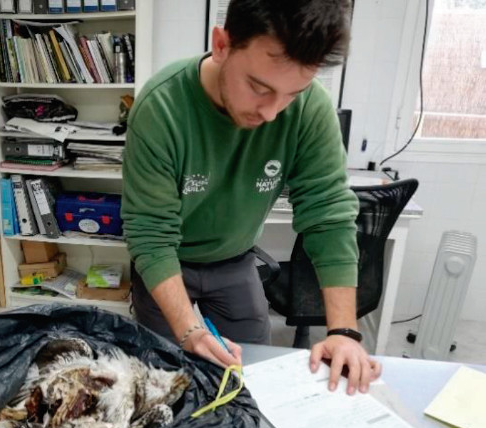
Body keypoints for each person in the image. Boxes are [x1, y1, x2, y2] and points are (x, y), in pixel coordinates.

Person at [121, 0, 381, 395]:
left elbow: (328, 214)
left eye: (292, 94)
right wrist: (188, 330)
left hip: (235, 260)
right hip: (165, 263)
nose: (273, 113)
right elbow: (151, 235)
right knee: (161, 382)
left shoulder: (311, 109)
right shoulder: (162, 107)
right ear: (222, 44)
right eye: (259, 88)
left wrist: (343, 331)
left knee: (251, 376)